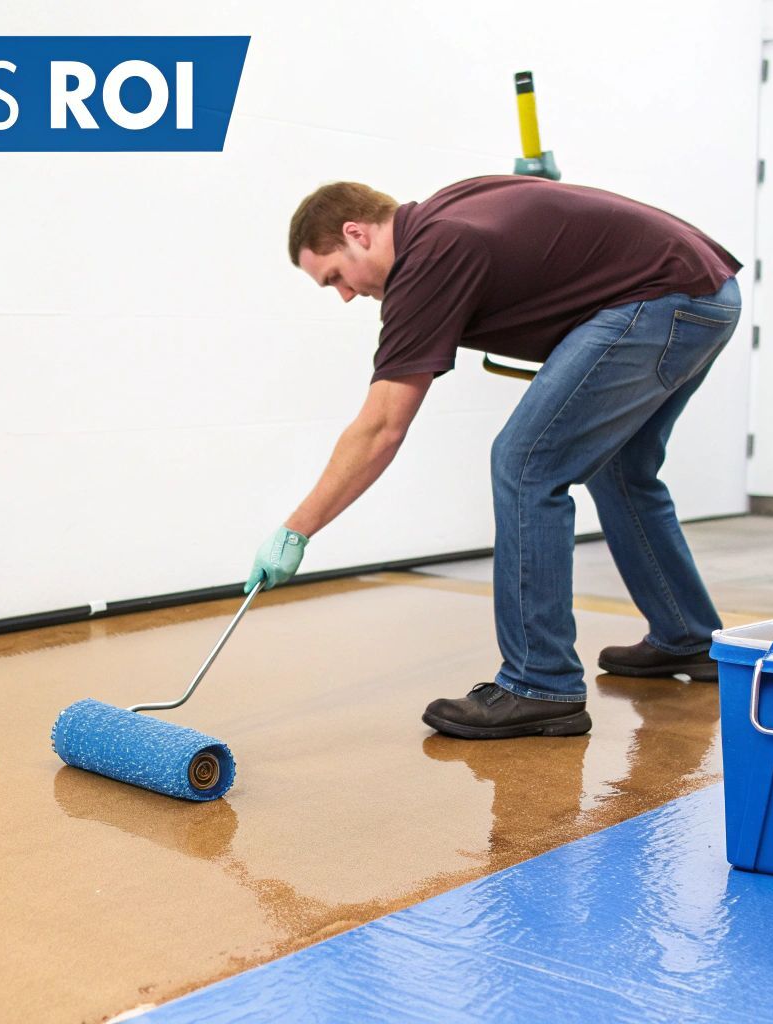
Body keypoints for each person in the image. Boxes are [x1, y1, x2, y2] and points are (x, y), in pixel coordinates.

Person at [247, 175, 742, 740]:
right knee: (622, 470)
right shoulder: (447, 217)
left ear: (355, 232)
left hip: (664, 298)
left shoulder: (431, 255)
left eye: (335, 276)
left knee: (526, 464)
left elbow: (382, 426)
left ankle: (540, 684)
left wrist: (296, 531)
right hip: (702, 292)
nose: (344, 294)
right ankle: (688, 637)